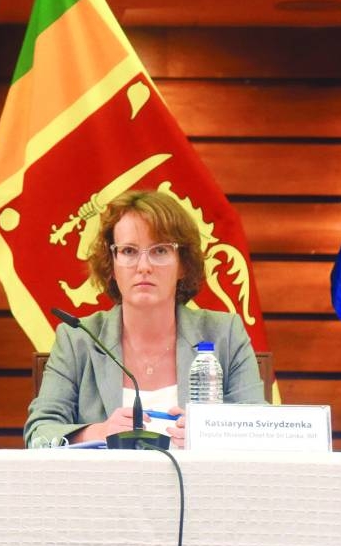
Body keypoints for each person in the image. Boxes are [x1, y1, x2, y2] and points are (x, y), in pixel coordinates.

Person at [24, 189, 266, 449]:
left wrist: (210, 436)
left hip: (199, 477)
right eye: (129, 251)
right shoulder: (77, 340)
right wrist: (98, 432)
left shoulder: (225, 334)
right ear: (112, 264)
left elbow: (259, 430)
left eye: (160, 250)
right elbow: (38, 434)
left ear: (183, 264)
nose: (143, 267)